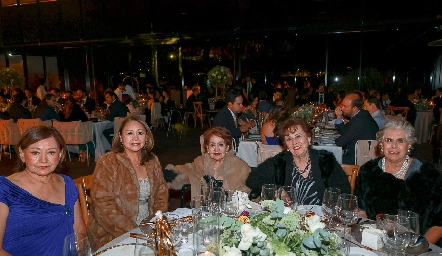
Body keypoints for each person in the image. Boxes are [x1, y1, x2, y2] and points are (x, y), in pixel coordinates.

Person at [354, 117, 442, 245]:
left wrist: (418, 249)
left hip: (418, 245)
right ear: (381, 145)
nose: (394, 146)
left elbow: (439, 223)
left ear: (409, 144)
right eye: (388, 140)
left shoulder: (428, 174)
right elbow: (361, 211)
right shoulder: (368, 171)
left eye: (400, 141)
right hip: (376, 242)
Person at [0, 126, 86, 255]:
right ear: (22, 154)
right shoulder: (5, 189)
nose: (43, 160)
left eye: (51, 152)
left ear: (61, 154)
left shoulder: (67, 183)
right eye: (35, 153)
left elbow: (79, 228)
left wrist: (79, 252)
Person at [88, 116, 168, 250]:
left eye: (140, 133)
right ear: (120, 136)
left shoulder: (152, 161)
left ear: (147, 137)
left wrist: (154, 222)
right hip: (112, 232)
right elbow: (103, 204)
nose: (135, 138)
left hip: (147, 226)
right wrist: (133, 231)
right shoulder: (109, 162)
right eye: (130, 133)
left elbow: (161, 193)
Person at [246, 117, 351, 205]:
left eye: (298, 136)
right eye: (289, 139)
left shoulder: (325, 161)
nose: (294, 142)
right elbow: (252, 178)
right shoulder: (280, 162)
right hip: (290, 219)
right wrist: (278, 191)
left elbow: (343, 190)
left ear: (309, 138)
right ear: (286, 144)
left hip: (320, 219)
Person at [164, 126, 251, 201]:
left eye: (221, 145)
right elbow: (188, 169)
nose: (216, 149)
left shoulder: (238, 165)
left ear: (227, 147)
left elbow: (240, 192)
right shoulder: (202, 161)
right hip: (204, 205)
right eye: (212, 145)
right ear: (207, 148)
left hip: (230, 209)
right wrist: (170, 174)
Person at [334, 92, 379, 164]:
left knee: (326, 160)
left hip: (360, 159)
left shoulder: (361, 120)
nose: (342, 108)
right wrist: (339, 117)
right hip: (357, 154)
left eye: (345, 106)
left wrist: (337, 139)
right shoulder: (360, 115)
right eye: (342, 105)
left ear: (354, 108)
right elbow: (344, 132)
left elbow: (339, 142)